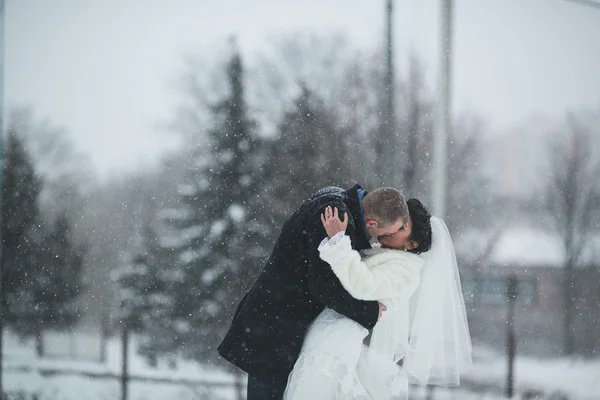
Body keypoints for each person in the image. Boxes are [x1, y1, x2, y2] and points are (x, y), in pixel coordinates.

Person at [218, 185, 410, 399]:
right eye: (384, 234)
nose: (381, 240)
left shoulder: (336, 198)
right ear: (372, 223)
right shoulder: (336, 216)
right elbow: (323, 284)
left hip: (272, 321)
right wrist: (368, 311)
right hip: (276, 329)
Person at [284, 199, 472, 399]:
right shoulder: (380, 252)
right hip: (324, 331)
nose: (393, 227)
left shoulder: (405, 272)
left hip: (338, 339)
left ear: (411, 244)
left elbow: (363, 285)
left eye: (403, 227)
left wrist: (338, 242)